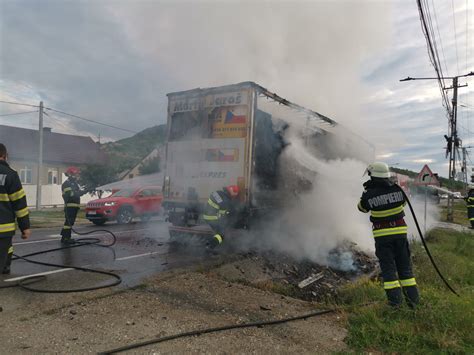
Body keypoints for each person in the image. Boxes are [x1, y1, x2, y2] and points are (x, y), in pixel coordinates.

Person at [357, 162, 419, 308]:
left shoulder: (369, 194)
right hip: (400, 236)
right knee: (405, 270)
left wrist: (369, 192)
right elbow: (403, 204)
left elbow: (361, 208)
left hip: (383, 238)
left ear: (373, 176)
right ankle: (414, 304)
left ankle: (395, 305)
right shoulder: (398, 190)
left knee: (389, 271)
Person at [0, 143, 31, 274]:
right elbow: (19, 205)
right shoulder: (10, 174)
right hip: (3, 230)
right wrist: (25, 227)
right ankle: (5, 265)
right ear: (5, 156)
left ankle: (7, 264)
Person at [60, 166, 86, 244]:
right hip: (70, 206)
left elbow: (77, 193)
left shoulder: (74, 183)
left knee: (69, 223)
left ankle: (64, 237)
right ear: (71, 174)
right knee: (69, 223)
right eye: (76, 174)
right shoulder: (67, 184)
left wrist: (85, 191)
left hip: (74, 206)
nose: (77, 176)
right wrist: (82, 192)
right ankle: (66, 238)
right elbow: (71, 194)